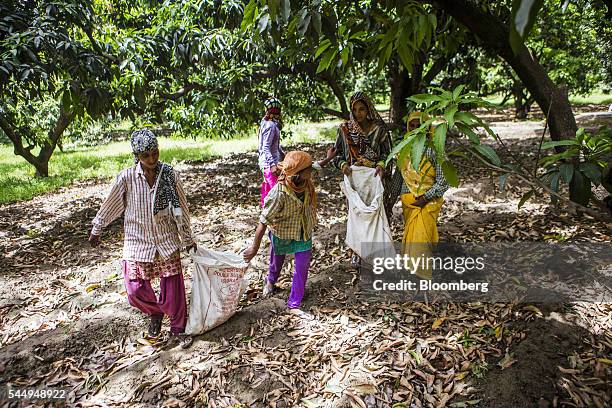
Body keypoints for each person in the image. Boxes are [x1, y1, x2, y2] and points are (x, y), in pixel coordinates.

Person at [88, 130, 196, 349]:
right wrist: (97, 227)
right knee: (134, 288)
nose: (152, 159)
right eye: (146, 155)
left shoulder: (169, 175)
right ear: (137, 155)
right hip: (138, 241)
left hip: (165, 239)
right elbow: (111, 205)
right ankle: (155, 312)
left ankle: (177, 329)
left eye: (155, 153)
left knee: (173, 288)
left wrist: (187, 237)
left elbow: (181, 209)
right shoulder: (126, 178)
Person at [243, 150, 335, 318]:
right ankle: (270, 281)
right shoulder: (279, 193)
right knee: (276, 263)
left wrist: (329, 157)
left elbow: (316, 166)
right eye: (308, 169)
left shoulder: (304, 179)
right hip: (282, 232)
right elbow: (263, 221)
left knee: (302, 266)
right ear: (297, 175)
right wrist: (254, 248)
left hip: (302, 230)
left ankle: (294, 304)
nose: (311, 171)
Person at [333, 92, 393, 265]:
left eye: (362, 109)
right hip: (355, 181)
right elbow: (337, 155)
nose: (358, 113)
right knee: (357, 216)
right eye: (355, 110)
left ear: (368, 109)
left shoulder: (379, 130)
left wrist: (381, 165)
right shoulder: (345, 130)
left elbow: (388, 154)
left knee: (376, 216)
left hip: (374, 179)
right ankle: (357, 253)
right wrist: (343, 165)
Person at [393, 112, 449, 279]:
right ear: (407, 127)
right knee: (411, 238)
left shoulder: (435, 150)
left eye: (420, 126)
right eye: (412, 126)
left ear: (427, 128)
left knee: (421, 237)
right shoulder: (404, 148)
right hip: (409, 202)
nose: (416, 129)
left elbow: (443, 181)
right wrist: (389, 200)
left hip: (427, 202)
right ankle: (411, 273)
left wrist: (425, 197)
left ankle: (421, 276)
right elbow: (398, 177)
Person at [258, 97, 285, 207]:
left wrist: (284, 155)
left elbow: (274, 146)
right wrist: (273, 165)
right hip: (269, 164)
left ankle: (266, 216)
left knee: (268, 190)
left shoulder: (265, 122)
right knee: (276, 193)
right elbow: (266, 147)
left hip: (266, 162)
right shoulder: (271, 126)